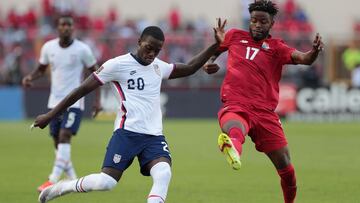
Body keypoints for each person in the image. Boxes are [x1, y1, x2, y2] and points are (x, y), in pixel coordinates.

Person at [34, 19, 226, 203]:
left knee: (163, 173)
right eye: (148, 48)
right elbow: (80, 90)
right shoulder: (116, 65)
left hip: (153, 136)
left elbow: (191, 67)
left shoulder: (158, 67)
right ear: (139, 42)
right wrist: (50, 115)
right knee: (106, 182)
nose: (151, 54)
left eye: (157, 51)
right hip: (126, 134)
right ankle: (62, 187)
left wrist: (214, 45)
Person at [203, 1, 323, 203]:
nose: (257, 25)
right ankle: (231, 146)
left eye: (262, 21)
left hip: (265, 112)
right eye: (254, 20)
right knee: (234, 126)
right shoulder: (234, 36)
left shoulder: (277, 48)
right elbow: (213, 54)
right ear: (249, 21)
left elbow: (304, 59)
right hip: (237, 102)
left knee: (286, 168)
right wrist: (209, 63)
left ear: (272, 24)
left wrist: (314, 52)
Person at [22, 15, 100, 192]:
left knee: (65, 136)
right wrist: (30, 77)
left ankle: (52, 180)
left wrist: (97, 101)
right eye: (62, 24)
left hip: (74, 102)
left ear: (73, 28)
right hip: (54, 103)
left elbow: (97, 74)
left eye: (69, 25)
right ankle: (73, 179)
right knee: (58, 143)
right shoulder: (48, 47)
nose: (65, 27)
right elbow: (41, 69)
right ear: (57, 28)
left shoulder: (82, 49)